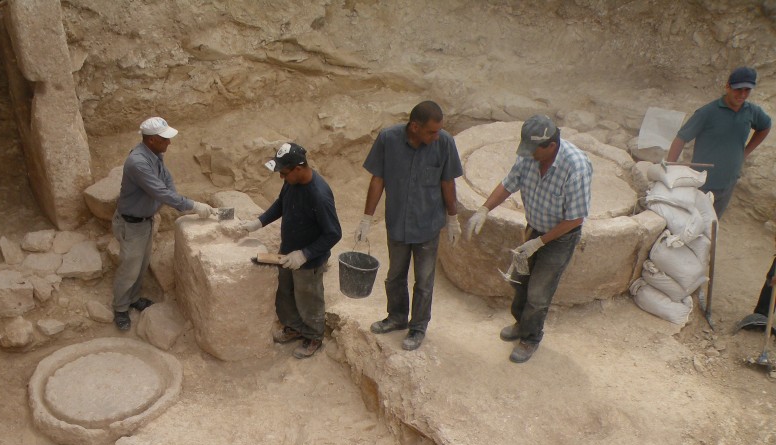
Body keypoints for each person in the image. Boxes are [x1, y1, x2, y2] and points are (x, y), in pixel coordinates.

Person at [466, 115, 592, 363]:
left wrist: (539, 243)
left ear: (551, 146)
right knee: (520, 282)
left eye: (533, 149)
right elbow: (509, 184)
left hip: (560, 237)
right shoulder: (530, 155)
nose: (528, 153)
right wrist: (483, 210)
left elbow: (575, 219)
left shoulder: (576, 167)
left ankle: (530, 338)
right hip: (534, 227)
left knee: (538, 293)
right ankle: (520, 324)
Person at [356, 101, 463, 351]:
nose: (436, 136)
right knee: (395, 276)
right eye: (431, 132)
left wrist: (453, 218)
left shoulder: (444, 142)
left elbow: (448, 183)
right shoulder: (388, 139)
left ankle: (418, 327)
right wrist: (366, 218)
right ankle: (397, 317)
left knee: (424, 281)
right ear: (414, 126)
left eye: (438, 131)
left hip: (427, 226)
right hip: (398, 223)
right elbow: (377, 179)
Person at [236, 143, 341, 359]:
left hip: (309, 260)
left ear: (299, 168)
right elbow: (281, 204)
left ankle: (313, 336)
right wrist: (259, 222)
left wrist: (305, 254)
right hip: (287, 251)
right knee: (286, 292)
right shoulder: (292, 183)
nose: (281, 178)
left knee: (308, 297)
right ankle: (294, 327)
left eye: (284, 173)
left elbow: (333, 233)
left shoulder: (319, 195)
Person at [112, 116, 216, 330]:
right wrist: (192, 206)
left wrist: (179, 202)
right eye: (165, 139)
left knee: (141, 265)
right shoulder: (138, 162)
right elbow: (159, 191)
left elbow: (166, 180)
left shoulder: (155, 154)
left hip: (145, 221)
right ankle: (121, 308)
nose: (169, 143)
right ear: (151, 140)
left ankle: (133, 299)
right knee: (129, 268)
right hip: (132, 224)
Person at [665, 66, 771, 219]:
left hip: (728, 182)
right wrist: (670, 168)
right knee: (691, 221)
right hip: (703, 183)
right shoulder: (708, 112)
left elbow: (765, 126)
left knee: (712, 223)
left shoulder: (752, 111)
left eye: (747, 90)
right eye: (738, 89)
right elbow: (681, 138)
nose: (742, 95)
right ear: (728, 87)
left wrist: (745, 152)